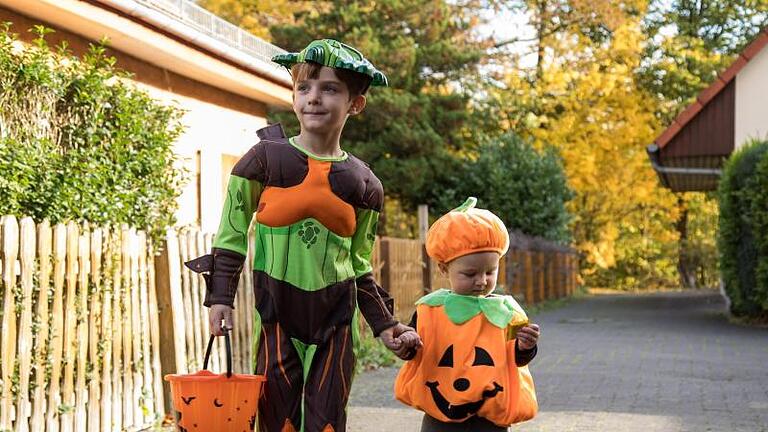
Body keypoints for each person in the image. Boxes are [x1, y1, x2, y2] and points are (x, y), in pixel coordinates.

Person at [185, 39, 421, 432]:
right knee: (278, 423)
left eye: (330, 89)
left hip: (337, 326)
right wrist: (221, 298)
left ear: (355, 104)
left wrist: (384, 325)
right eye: (304, 87)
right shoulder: (262, 162)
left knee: (327, 424)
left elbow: (360, 266)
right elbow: (231, 234)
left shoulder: (365, 184)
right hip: (278, 320)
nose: (313, 98)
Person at [394, 197, 540, 431]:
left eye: (490, 272)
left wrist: (525, 347)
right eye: (470, 274)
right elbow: (416, 352)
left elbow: (517, 361)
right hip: (440, 416)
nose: (481, 281)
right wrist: (406, 345)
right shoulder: (430, 310)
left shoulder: (507, 313)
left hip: (491, 418)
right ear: (444, 268)